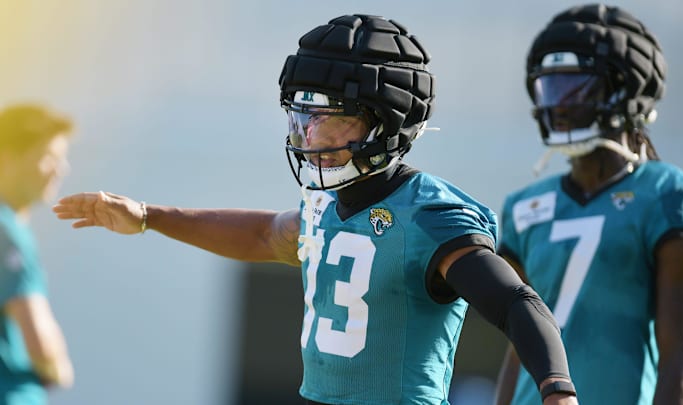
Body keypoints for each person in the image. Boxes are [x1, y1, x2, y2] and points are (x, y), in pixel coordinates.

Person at [53, 14, 578, 405]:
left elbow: (514, 303)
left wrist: (556, 388)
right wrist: (148, 216)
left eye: (326, 119)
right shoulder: (325, 206)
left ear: (384, 123)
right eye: (300, 117)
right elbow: (264, 236)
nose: (308, 136)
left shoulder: (430, 216)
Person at [494, 4, 683, 405]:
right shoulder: (525, 206)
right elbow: (518, 348)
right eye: (551, 88)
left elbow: (682, 355)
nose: (559, 105)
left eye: (576, 88)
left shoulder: (668, 195)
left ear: (624, 91)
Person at [0, 103, 75, 404]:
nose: (61, 169)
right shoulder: (8, 233)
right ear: (6, 158)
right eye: (48, 158)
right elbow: (39, 339)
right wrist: (60, 368)